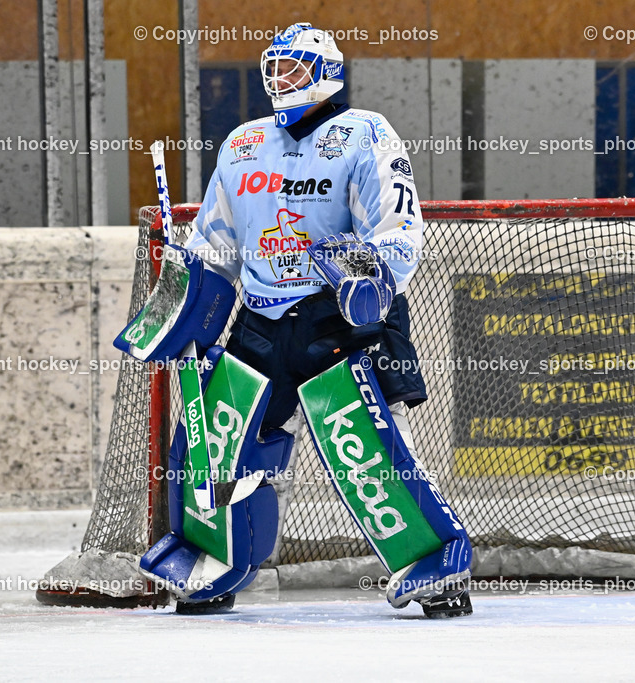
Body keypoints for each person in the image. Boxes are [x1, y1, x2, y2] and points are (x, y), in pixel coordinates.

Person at [139, 22, 473, 617]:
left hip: (337, 321)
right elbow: (216, 240)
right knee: (217, 444)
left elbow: (397, 228)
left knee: (368, 449)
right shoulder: (243, 144)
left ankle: (437, 566)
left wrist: (369, 275)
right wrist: (185, 289)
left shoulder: (364, 133)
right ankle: (215, 559)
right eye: (272, 69)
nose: (277, 80)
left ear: (327, 74)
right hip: (261, 321)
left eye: (291, 69)